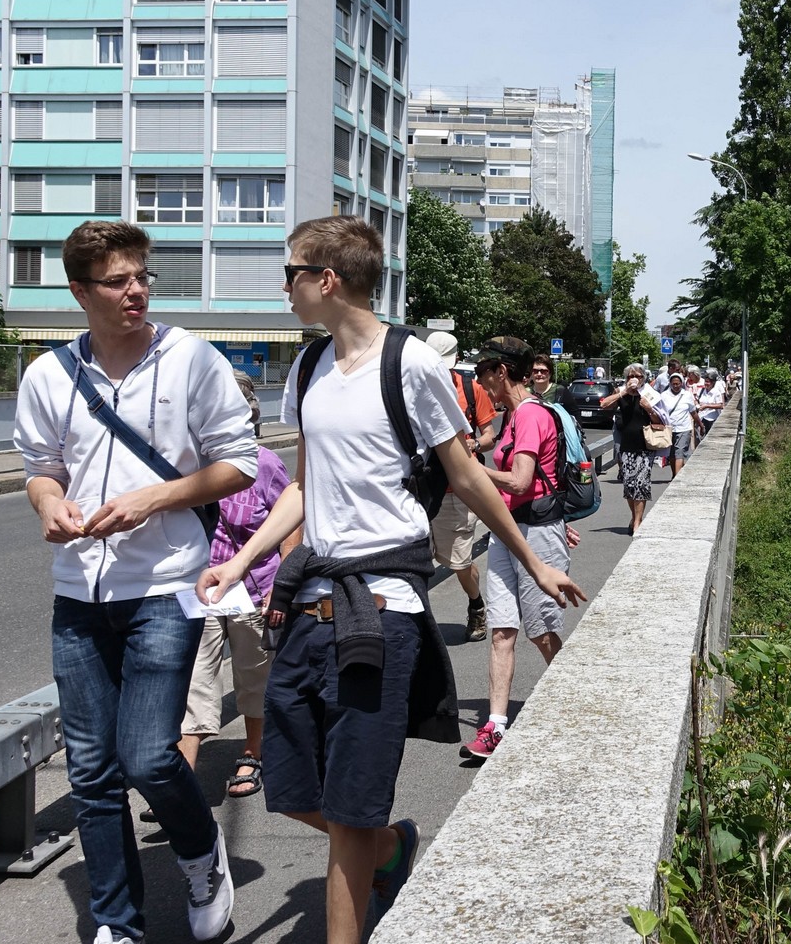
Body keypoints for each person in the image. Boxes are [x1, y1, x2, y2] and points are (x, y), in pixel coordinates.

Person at [196, 216, 584, 944]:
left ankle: (364, 875)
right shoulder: (308, 370)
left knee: (348, 812)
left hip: (383, 608)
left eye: (292, 273)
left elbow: (466, 476)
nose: (285, 286)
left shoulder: (410, 364)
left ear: (328, 279)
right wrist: (242, 561)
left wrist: (534, 561)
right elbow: (306, 488)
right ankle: (393, 848)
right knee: (285, 784)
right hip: (307, 601)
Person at [13, 220, 254, 944]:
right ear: (80, 291)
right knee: (90, 770)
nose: (138, 291)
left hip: (165, 585)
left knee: (149, 753)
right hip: (79, 591)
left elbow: (237, 464)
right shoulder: (49, 374)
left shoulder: (192, 360)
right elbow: (41, 468)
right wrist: (51, 505)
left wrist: (154, 498)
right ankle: (118, 924)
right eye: (119, 280)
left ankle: (201, 856)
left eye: (143, 275)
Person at [173, 371, 288, 804]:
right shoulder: (188, 466)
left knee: (253, 677)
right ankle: (182, 774)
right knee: (193, 680)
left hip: (254, 587)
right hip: (197, 590)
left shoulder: (263, 464)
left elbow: (290, 521)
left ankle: (252, 752)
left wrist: (281, 583)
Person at [465, 337, 574, 759]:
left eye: (483, 374)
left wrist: (470, 470)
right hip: (507, 530)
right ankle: (495, 725)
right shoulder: (512, 417)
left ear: (502, 372)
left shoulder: (529, 416)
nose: (480, 383)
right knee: (502, 630)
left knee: (542, 631)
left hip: (537, 533)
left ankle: (572, 700)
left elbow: (521, 481)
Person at [424, 332, 497, 643]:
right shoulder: (415, 386)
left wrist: (474, 444)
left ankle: (476, 603)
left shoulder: (470, 388)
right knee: (411, 562)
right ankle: (417, 624)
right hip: (418, 488)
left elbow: (489, 434)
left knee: (459, 562)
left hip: (457, 490)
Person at [599, 363, 667, 534]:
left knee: (641, 483)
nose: (633, 379)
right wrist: (623, 392)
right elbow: (604, 405)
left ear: (643, 378)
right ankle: (634, 516)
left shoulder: (650, 395)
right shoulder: (622, 393)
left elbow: (661, 421)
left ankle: (637, 522)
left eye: (637, 376)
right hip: (626, 445)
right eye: (630, 376)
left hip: (645, 446)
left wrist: (649, 409)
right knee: (629, 485)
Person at [657, 370, 698, 478]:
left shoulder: (687, 395)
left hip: (683, 428)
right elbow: (660, 412)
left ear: (682, 384)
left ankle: (677, 478)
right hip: (669, 428)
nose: (676, 386)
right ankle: (674, 474)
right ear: (670, 384)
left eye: (678, 383)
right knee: (671, 454)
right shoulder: (664, 395)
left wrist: (700, 424)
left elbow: (693, 411)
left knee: (679, 452)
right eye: (673, 384)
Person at [698, 369, 727, 434]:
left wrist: (706, 406)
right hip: (701, 418)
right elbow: (697, 400)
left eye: (708, 382)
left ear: (713, 383)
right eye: (705, 381)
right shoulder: (702, 391)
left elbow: (720, 405)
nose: (706, 383)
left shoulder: (716, 393)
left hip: (711, 419)